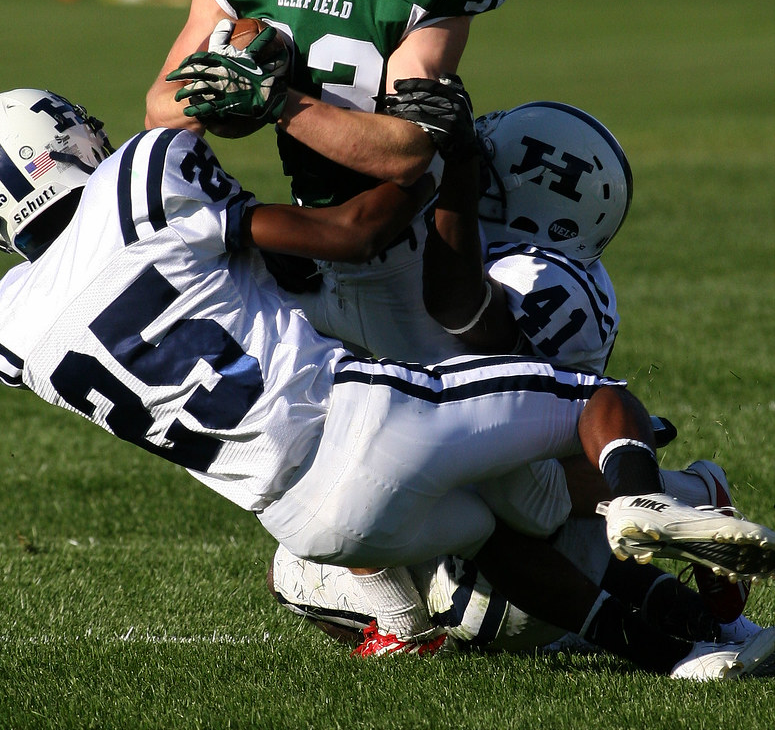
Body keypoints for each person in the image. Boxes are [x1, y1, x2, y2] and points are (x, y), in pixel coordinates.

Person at [0, 88, 775, 680]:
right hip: (359, 422)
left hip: (310, 524)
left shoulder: (5, 328)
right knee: (599, 403)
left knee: (495, 531)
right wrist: (430, 161)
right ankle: (650, 493)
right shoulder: (142, 177)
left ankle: (676, 655)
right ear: (61, 149)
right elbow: (348, 233)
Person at [265, 93, 755, 652]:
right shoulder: (525, 258)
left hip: (522, 502)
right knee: (336, 526)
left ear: (533, 196)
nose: (470, 174)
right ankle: (686, 570)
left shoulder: (544, 277)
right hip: (499, 485)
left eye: (487, 171)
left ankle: (682, 498)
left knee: (477, 554)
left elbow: (463, 314)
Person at [144, 0, 519, 353]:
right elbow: (161, 111)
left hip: (410, 236)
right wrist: (221, 85)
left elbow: (405, 151)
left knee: (488, 416)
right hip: (308, 227)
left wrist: (275, 99)